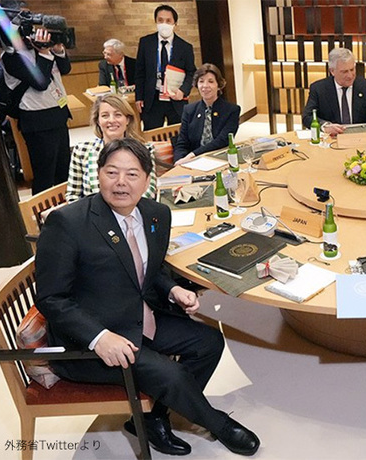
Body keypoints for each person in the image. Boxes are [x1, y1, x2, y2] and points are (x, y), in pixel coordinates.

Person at [36, 138, 260, 457]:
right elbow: (51, 298)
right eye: (111, 172)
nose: (121, 182)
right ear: (98, 174)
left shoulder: (156, 214)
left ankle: (153, 418)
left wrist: (172, 289)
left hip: (137, 317)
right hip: (89, 340)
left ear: (147, 180)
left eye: (132, 174)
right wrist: (99, 338)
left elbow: (148, 269)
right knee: (172, 374)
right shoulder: (68, 223)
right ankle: (218, 424)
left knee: (210, 343)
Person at [1, 27, 71, 194]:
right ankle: (44, 209)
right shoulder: (12, 57)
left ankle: (66, 206)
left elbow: (65, 69)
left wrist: (57, 50)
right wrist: (44, 53)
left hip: (58, 114)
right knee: (45, 173)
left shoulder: (43, 49)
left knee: (64, 170)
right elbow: (40, 83)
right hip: (37, 121)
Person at [66, 94, 157, 202]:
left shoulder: (145, 150)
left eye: (118, 115)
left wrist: (123, 208)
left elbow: (149, 190)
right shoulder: (81, 151)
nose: (112, 120)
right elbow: (72, 195)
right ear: (98, 121)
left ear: (127, 120)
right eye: (105, 116)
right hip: (91, 211)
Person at [301, 47, 366, 135]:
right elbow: (307, 117)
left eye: (352, 69)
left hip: (359, 141)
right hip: (331, 141)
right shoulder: (319, 89)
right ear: (332, 71)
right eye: (344, 72)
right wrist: (325, 126)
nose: (350, 75)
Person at [135, 4, 196, 131]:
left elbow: (191, 72)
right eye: (160, 20)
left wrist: (183, 91)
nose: (164, 24)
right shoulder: (146, 43)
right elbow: (140, 72)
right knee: (151, 133)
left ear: (175, 23)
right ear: (156, 21)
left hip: (175, 98)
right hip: (152, 98)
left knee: (179, 134)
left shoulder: (185, 47)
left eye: (168, 21)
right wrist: (139, 97)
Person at [174, 64, 240, 162]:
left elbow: (221, 141)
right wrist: (179, 161)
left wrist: (193, 155)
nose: (205, 86)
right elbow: (182, 142)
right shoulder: (189, 110)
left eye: (211, 81)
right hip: (193, 162)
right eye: (201, 81)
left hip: (220, 159)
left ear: (219, 85)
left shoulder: (232, 110)